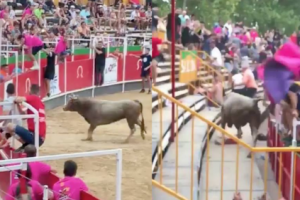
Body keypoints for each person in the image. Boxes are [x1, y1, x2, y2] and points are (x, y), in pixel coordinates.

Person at [5, 84, 46, 152]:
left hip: (35, 136)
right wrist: (18, 105)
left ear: (30, 91)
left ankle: (25, 145)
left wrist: (15, 100)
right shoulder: (40, 103)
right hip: (39, 137)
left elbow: (19, 99)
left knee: (9, 126)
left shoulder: (34, 98)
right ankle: (25, 145)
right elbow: (24, 116)